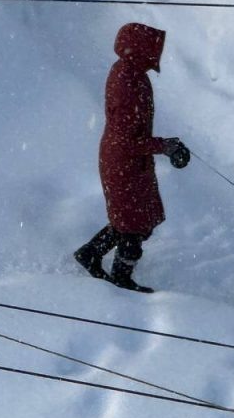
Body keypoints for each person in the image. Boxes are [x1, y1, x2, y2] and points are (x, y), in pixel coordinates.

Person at [74, 22, 190, 293]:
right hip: (123, 162)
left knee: (132, 219)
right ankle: (121, 280)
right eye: (152, 49)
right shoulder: (127, 81)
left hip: (128, 161)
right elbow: (126, 139)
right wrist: (164, 146)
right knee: (132, 224)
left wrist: (164, 146)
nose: (156, 56)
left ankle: (90, 254)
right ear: (139, 51)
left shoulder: (133, 74)